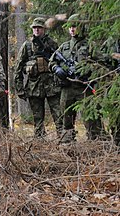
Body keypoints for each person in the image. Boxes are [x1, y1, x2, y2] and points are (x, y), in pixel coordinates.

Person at [49, 14, 105, 144]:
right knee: (66, 120)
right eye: (70, 27)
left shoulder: (90, 45)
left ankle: (96, 144)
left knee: (91, 120)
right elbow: (52, 62)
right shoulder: (64, 47)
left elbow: (101, 63)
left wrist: (88, 72)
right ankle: (67, 146)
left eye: (74, 26)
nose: (72, 29)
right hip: (67, 88)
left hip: (85, 87)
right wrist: (58, 69)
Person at [14, 17, 62, 138]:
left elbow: (60, 63)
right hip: (34, 87)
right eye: (35, 28)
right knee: (38, 118)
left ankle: (63, 138)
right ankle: (39, 141)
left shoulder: (52, 44)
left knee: (58, 114)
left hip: (52, 86)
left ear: (44, 29)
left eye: (39, 28)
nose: (36, 30)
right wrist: (19, 88)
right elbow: (18, 68)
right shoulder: (27, 46)